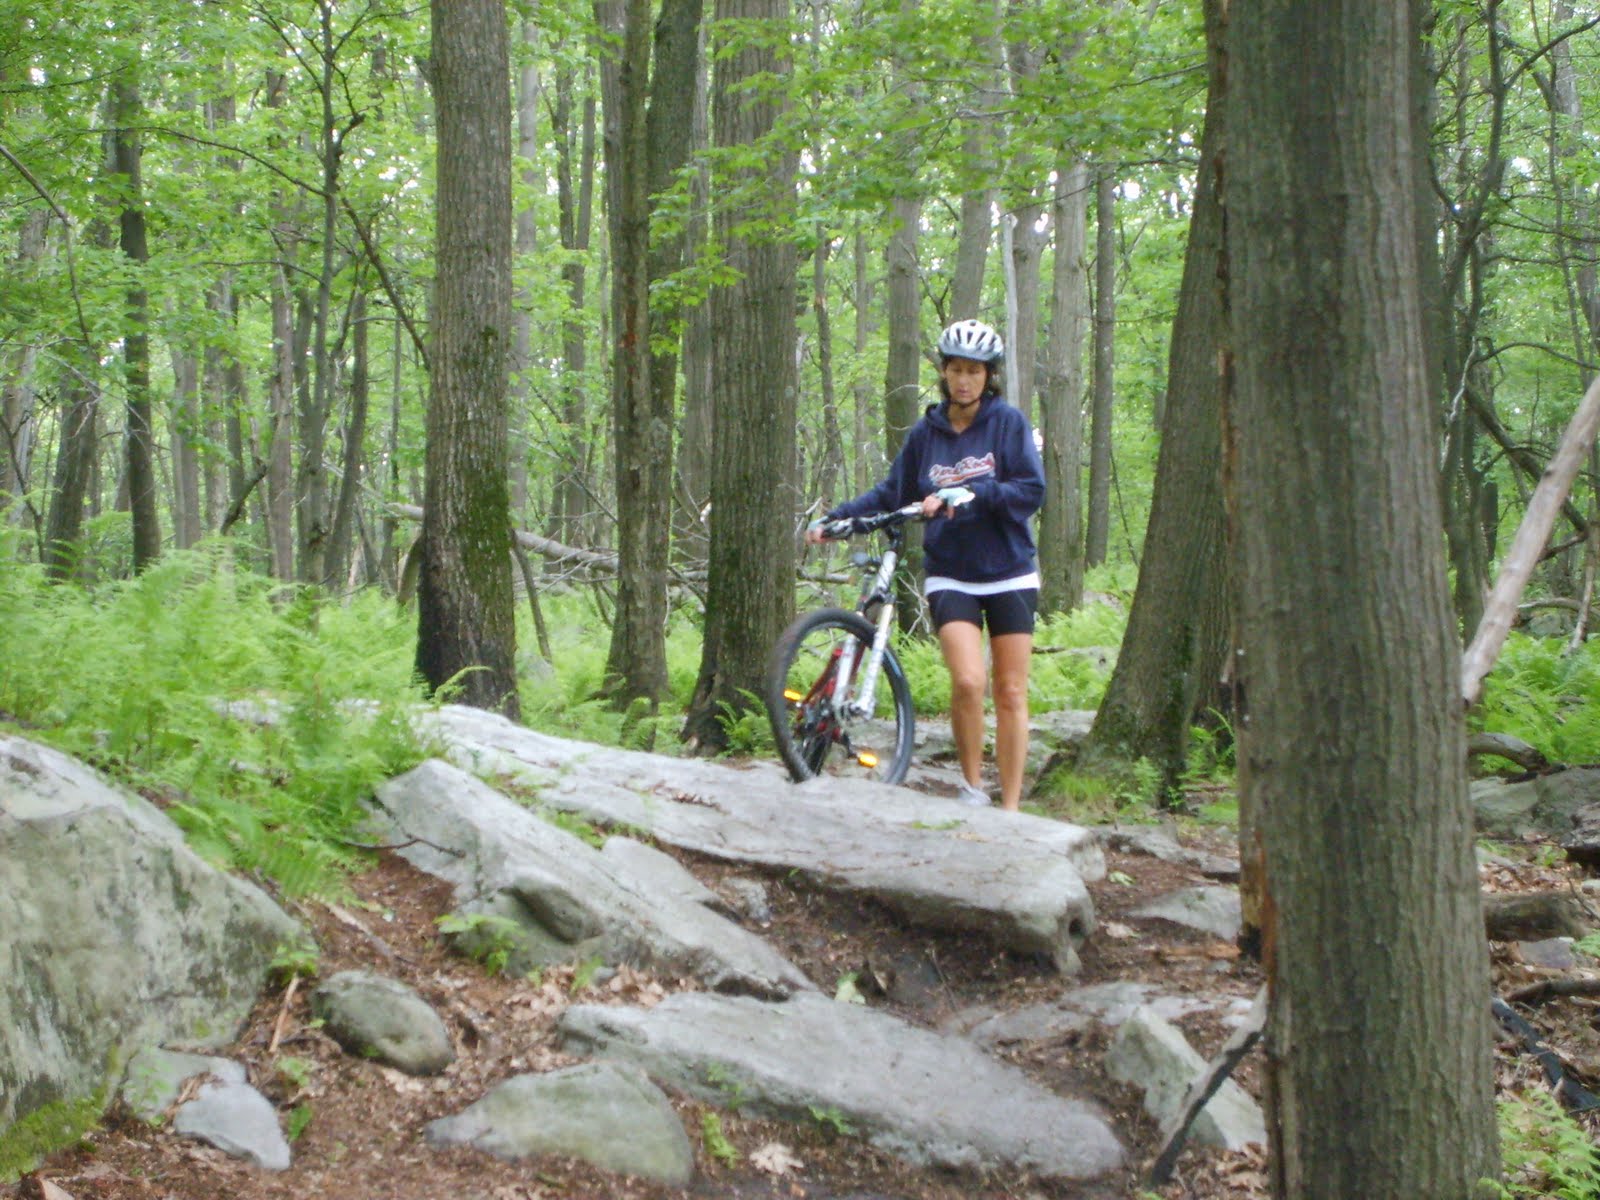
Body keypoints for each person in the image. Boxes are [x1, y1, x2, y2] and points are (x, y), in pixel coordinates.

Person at [807, 319, 1045, 811]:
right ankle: (972, 788)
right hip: (951, 572)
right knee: (969, 681)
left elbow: (1029, 490)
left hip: (1010, 571)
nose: (964, 380)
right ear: (944, 372)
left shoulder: (1008, 424)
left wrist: (971, 492)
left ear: (989, 376)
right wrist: (837, 518)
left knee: (1010, 689)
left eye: (974, 372)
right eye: (956, 370)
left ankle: (1012, 808)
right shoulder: (926, 434)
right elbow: (892, 492)